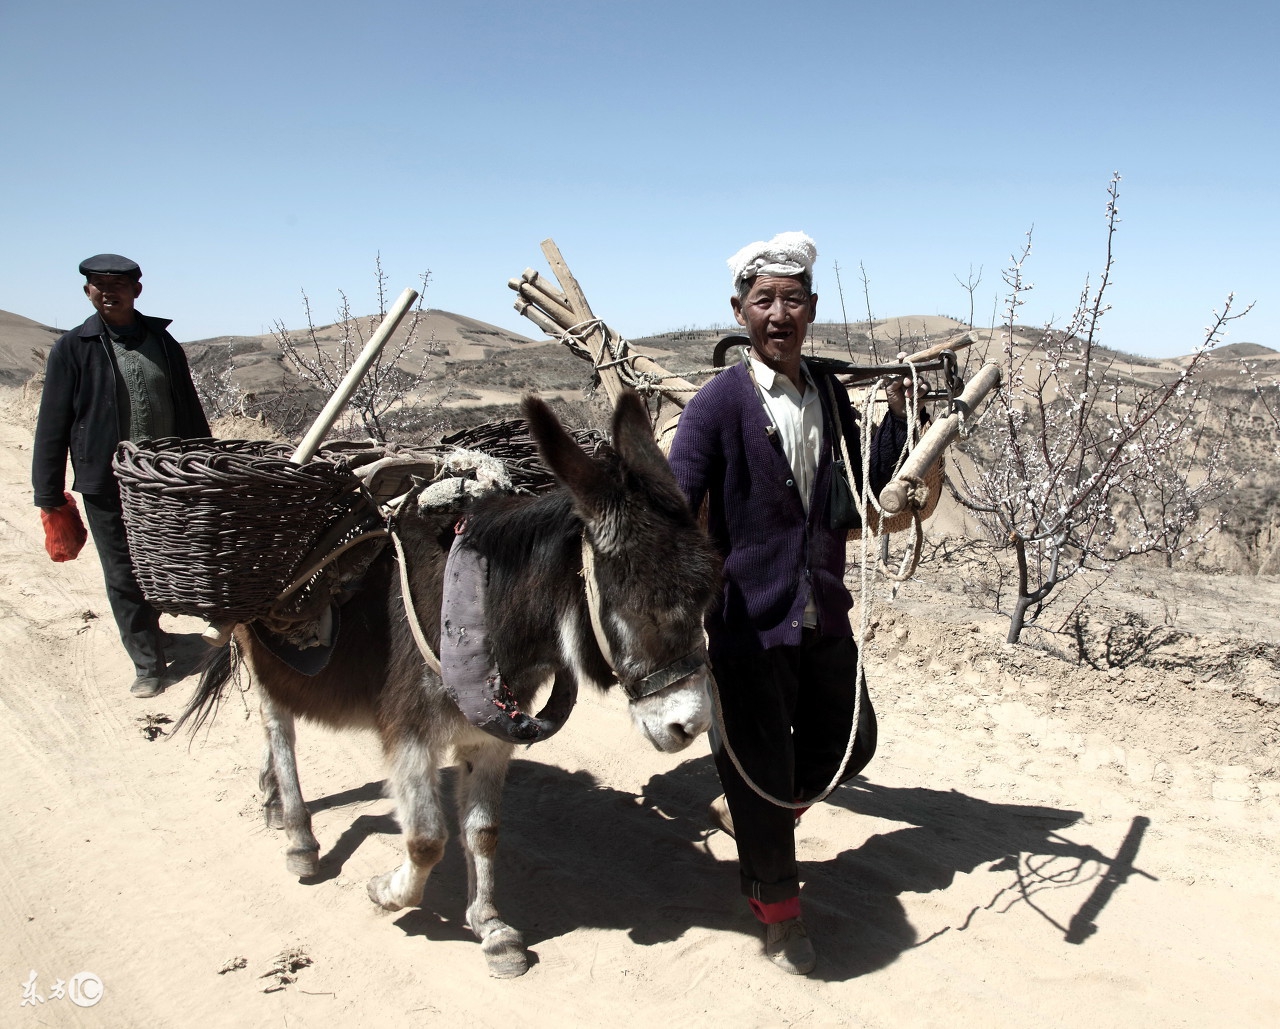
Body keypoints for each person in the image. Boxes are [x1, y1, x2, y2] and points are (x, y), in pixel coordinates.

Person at [666, 231, 923, 975]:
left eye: (792, 299)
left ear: (811, 308)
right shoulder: (716, 404)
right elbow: (679, 505)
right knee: (766, 772)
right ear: (740, 312)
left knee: (853, 739)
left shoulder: (830, 395)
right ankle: (778, 916)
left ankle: (762, 810)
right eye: (763, 300)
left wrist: (900, 421)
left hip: (821, 606)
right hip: (747, 621)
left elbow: (859, 486)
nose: (779, 313)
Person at [32, 254, 211, 698]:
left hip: (165, 480)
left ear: (137, 290)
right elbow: (52, 423)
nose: (108, 291)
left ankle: (158, 634)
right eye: (98, 285)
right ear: (87, 291)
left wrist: (203, 464)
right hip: (106, 482)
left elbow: (190, 410)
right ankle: (147, 662)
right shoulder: (73, 348)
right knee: (122, 572)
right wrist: (48, 491)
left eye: (118, 284)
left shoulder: (164, 344)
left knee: (162, 566)